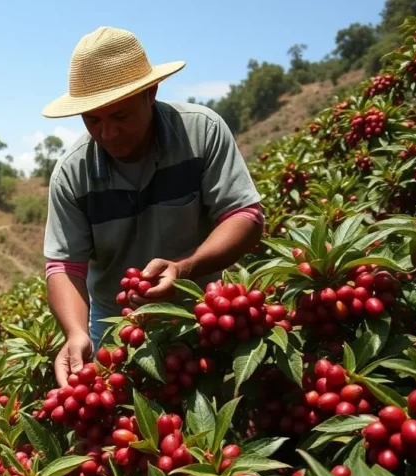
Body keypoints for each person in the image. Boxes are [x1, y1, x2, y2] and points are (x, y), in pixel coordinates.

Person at [40, 27, 264, 386]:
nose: (107, 133)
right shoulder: (72, 173)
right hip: (118, 324)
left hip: (204, 310)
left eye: (120, 117)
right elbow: (65, 266)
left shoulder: (202, 132)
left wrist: (186, 268)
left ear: (151, 93)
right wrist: (76, 332)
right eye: (93, 120)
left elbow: (246, 217)